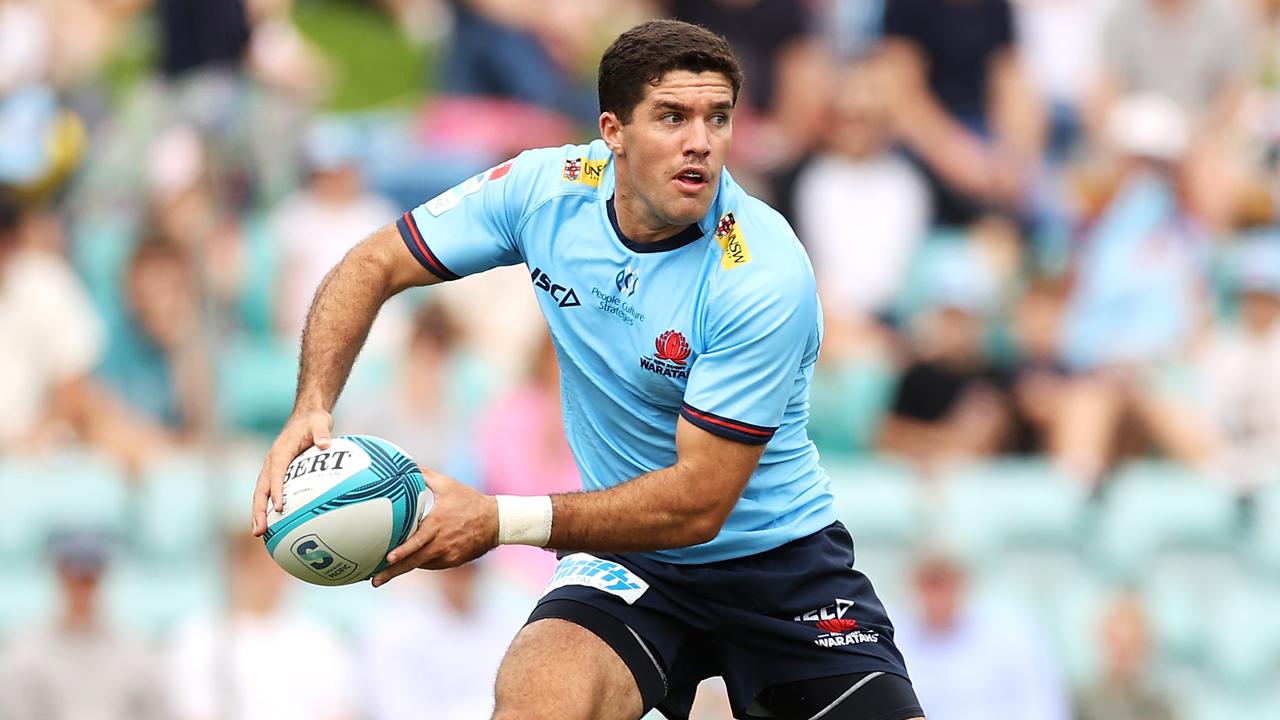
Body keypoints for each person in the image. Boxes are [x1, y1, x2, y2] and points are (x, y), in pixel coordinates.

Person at [251, 19, 925, 720]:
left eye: (717, 118)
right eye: (672, 116)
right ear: (613, 131)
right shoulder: (545, 190)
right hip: (630, 559)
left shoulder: (759, 272)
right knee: (539, 699)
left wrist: (496, 519)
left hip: (779, 569)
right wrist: (312, 407)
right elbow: (374, 262)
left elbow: (699, 504)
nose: (700, 140)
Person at [0, 530, 169, 720]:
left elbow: (159, 711)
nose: (81, 589)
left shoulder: (137, 651)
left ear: (104, 578)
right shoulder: (23, 651)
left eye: (89, 579)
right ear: (58, 576)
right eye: (73, 577)